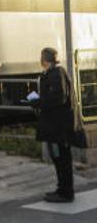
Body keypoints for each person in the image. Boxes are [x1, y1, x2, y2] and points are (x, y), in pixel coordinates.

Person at [33, 47, 76, 203]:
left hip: (58, 126)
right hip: (56, 125)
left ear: (44, 59)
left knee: (61, 158)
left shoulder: (56, 74)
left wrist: (37, 102)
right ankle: (62, 189)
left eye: (41, 57)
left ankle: (65, 192)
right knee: (59, 157)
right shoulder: (55, 73)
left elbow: (58, 98)